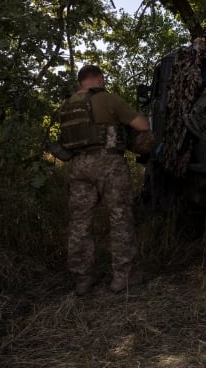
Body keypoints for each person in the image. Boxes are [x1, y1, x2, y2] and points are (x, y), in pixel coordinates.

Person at [58, 65, 151, 295]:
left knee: (80, 223)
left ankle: (83, 280)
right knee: (120, 218)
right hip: (109, 164)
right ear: (100, 78)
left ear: (80, 82)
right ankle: (122, 278)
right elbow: (143, 126)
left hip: (79, 166)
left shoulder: (67, 105)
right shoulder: (108, 99)